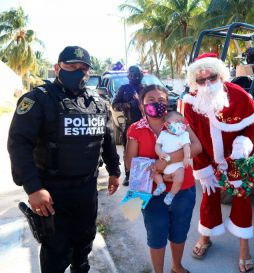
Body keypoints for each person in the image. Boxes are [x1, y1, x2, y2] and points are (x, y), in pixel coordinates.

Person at [7, 46, 121, 273]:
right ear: (57, 68)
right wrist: (33, 188)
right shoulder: (38, 100)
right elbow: (18, 145)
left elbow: (106, 138)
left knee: (84, 241)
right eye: (71, 67)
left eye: (83, 68)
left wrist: (114, 170)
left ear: (89, 72)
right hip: (51, 192)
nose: (78, 72)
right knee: (56, 250)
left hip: (87, 189)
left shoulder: (97, 102)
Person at [182, 53, 254, 273]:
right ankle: (205, 237)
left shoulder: (238, 95)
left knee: (242, 200)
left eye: (212, 77)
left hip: (237, 160)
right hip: (208, 161)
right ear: (193, 81)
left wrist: (243, 143)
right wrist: (202, 167)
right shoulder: (190, 101)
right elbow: (190, 138)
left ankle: (244, 247)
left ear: (221, 75)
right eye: (200, 79)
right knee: (208, 198)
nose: (206, 83)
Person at [125, 84, 202, 273]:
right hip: (151, 193)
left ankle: (177, 267)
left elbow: (197, 146)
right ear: (142, 106)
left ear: (167, 103)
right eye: (151, 100)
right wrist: (157, 171)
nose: (157, 104)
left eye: (161, 100)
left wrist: (166, 161)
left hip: (183, 190)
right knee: (156, 236)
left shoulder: (178, 122)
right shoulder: (135, 129)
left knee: (179, 232)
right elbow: (130, 163)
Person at [112, 65, 143, 186]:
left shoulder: (145, 88)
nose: (135, 77)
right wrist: (127, 105)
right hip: (129, 124)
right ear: (128, 76)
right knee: (128, 151)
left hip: (145, 124)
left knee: (144, 150)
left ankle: (143, 175)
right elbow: (114, 105)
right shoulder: (124, 89)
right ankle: (128, 175)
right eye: (132, 75)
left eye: (137, 75)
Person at [154, 111, 191, 205]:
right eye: (178, 121)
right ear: (167, 124)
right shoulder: (163, 134)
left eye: (182, 122)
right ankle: (160, 185)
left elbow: (187, 146)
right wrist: (160, 153)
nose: (181, 124)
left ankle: (171, 195)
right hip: (163, 162)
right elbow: (157, 145)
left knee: (179, 179)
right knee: (154, 171)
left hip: (177, 166)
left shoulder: (184, 134)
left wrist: (187, 157)